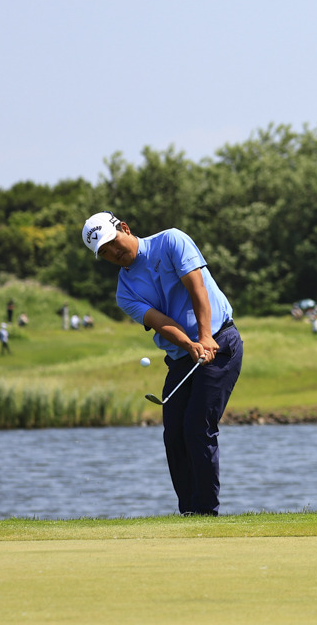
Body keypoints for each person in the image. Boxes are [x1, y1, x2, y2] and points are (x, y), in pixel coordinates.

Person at [82, 211, 242, 517]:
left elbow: (198, 289)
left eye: (112, 243)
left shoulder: (171, 240)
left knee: (198, 427)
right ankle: (189, 512)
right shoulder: (124, 291)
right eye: (103, 253)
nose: (112, 253)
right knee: (174, 434)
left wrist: (205, 337)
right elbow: (160, 322)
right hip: (183, 356)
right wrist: (191, 344)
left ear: (125, 228)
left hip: (220, 343)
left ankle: (206, 512)